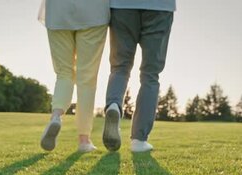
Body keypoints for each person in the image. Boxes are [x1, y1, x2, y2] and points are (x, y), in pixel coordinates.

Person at [103, 0, 176, 152]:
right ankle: (139, 140)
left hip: (122, 7)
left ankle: (114, 105)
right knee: (150, 75)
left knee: (120, 67)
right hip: (160, 7)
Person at [39, 0, 110, 153]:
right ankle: (84, 140)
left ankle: (56, 116)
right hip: (94, 13)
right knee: (87, 78)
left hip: (58, 12)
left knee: (64, 73)